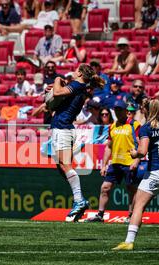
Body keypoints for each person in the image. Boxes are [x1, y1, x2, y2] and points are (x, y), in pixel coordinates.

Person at [113, 98, 159, 250]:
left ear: (146, 110)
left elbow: (143, 151)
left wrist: (134, 154)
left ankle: (128, 241)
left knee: (138, 205)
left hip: (157, 171)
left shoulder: (146, 128)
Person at [50, 63, 105, 222]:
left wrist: (57, 80)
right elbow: (61, 95)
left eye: (76, 70)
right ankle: (79, 199)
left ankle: (79, 200)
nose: (73, 72)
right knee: (61, 166)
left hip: (63, 127)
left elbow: (58, 91)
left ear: (80, 73)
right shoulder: (78, 86)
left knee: (65, 165)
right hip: (62, 127)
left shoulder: (78, 84)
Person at [85, 99, 141, 223]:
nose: (117, 112)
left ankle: (131, 216)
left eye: (120, 109)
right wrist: (104, 165)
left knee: (131, 189)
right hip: (115, 162)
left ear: (126, 111)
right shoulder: (112, 126)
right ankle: (100, 215)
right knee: (105, 187)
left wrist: (136, 160)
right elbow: (109, 147)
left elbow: (141, 143)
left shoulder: (134, 125)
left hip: (129, 162)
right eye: (116, 110)